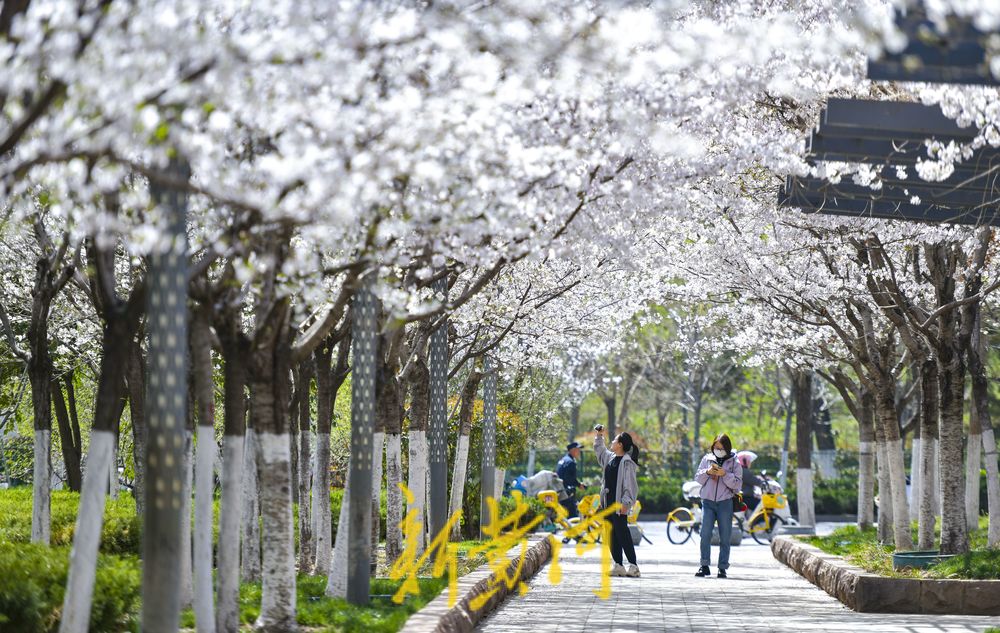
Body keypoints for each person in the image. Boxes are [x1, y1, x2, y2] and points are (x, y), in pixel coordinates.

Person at [594, 424, 640, 578]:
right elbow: (600, 452)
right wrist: (599, 436)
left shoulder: (627, 463)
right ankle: (618, 565)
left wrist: (626, 503)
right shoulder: (611, 458)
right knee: (611, 534)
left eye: (614, 440)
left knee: (623, 534)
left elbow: (630, 486)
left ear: (620, 445)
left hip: (619, 505)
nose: (612, 442)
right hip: (608, 504)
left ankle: (633, 566)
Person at [694, 433, 742, 578]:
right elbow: (698, 478)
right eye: (716, 447)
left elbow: (737, 485)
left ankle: (722, 568)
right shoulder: (707, 459)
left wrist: (724, 474)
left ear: (727, 448)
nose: (718, 450)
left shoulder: (734, 462)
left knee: (725, 536)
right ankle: (704, 565)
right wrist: (708, 472)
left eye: (721, 448)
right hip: (707, 502)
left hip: (725, 503)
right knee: (705, 533)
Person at [556, 441, 585, 518]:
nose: (579, 451)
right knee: (573, 516)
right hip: (566, 493)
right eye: (578, 449)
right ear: (572, 450)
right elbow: (570, 479)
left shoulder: (564, 460)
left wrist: (578, 484)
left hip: (560, 491)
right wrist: (579, 485)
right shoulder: (570, 462)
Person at [738, 451, 763, 519]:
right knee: (761, 506)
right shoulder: (744, 471)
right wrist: (763, 483)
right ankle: (758, 524)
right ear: (744, 461)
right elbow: (754, 481)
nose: (750, 463)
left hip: (743, 497)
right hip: (745, 497)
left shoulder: (741, 470)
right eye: (749, 461)